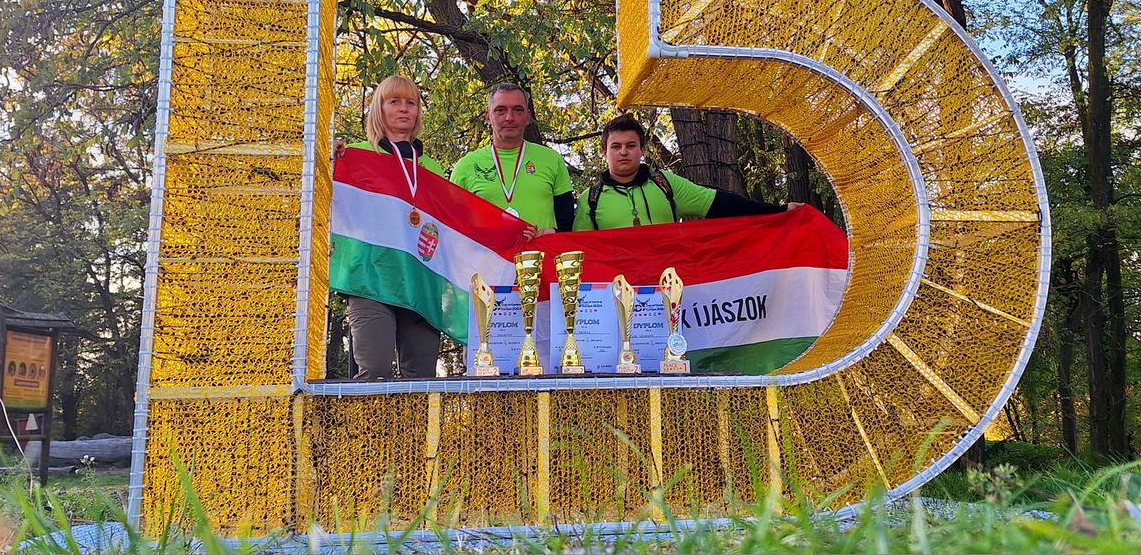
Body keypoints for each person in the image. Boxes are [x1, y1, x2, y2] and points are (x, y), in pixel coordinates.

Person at [330, 75, 445, 380]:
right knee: (375, 371)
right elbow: (327, 199)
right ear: (379, 109)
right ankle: (368, 429)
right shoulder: (355, 155)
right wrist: (329, 159)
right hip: (370, 280)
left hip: (419, 283)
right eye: (394, 101)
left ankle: (417, 430)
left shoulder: (431, 169)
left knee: (421, 378)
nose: (404, 109)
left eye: (412, 103)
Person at [574, 114, 803, 231]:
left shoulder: (666, 184)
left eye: (631, 145)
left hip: (668, 290)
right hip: (616, 297)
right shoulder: (590, 200)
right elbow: (578, 255)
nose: (623, 152)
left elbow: (720, 204)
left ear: (642, 150)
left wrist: (780, 211)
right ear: (605, 151)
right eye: (616, 146)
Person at [450, 83, 574, 240]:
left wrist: (551, 232)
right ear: (488, 116)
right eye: (500, 110)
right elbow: (452, 228)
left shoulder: (551, 160)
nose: (509, 117)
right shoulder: (465, 167)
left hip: (541, 261)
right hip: (487, 262)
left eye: (518, 110)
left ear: (528, 116)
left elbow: (568, 223)